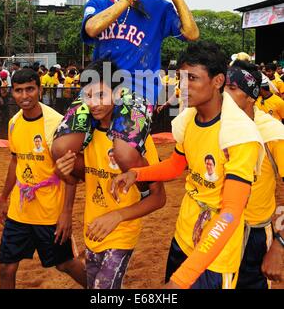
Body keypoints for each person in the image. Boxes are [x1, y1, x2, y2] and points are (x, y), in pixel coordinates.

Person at [111, 40, 264, 289]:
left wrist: (181, 281)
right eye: (181, 78)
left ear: (218, 81)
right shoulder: (188, 120)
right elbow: (175, 165)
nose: (184, 86)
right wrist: (136, 174)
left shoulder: (239, 135)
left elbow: (231, 212)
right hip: (183, 235)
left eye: (192, 78)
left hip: (216, 251)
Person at [54, 0, 199, 175]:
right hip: (98, 88)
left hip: (138, 90)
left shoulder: (156, 6)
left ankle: (148, 189)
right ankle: (88, 180)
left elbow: (192, 33)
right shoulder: (97, 4)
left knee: (124, 153)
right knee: (60, 148)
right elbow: (91, 28)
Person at [54, 59, 166, 289]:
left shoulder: (134, 140)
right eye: (88, 96)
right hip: (93, 229)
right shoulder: (86, 134)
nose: (94, 104)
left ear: (117, 94)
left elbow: (158, 197)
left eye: (101, 95)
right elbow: (84, 176)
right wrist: (64, 170)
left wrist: (117, 216)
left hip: (121, 229)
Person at [0, 69, 86, 289]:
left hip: (49, 213)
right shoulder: (14, 123)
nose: (24, 96)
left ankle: (104, 290)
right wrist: (4, 197)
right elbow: (15, 161)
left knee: (65, 264)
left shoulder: (56, 124)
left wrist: (66, 214)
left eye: (30, 89)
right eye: (18, 90)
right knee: (6, 267)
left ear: (40, 89)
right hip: (21, 210)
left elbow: (71, 173)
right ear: (12, 92)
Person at [224, 60, 284, 288]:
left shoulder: (273, 133)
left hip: (253, 238)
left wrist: (279, 244)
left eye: (232, 88)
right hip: (216, 232)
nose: (224, 95)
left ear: (251, 94)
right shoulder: (218, 125)